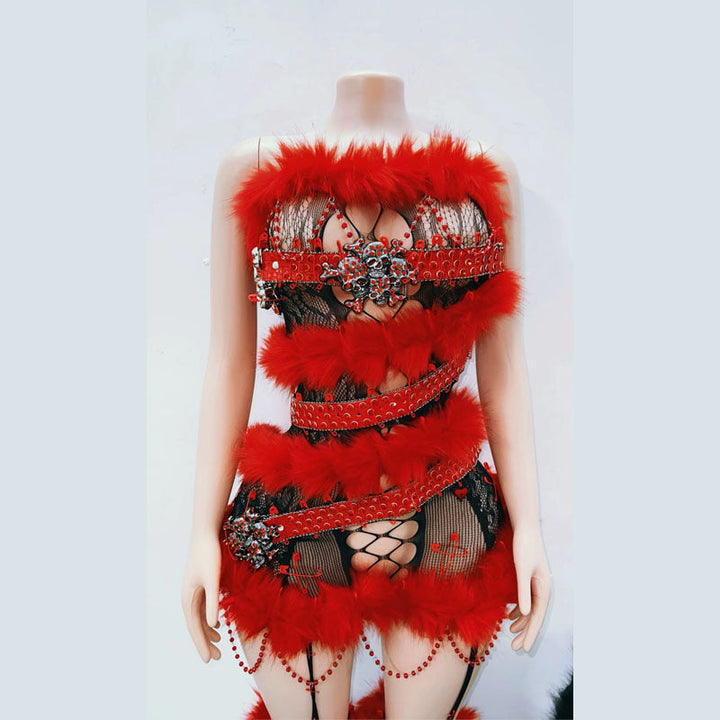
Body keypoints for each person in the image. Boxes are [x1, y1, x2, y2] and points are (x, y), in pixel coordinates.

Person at [182, 72, 552, 720]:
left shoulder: (487, 174)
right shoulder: (254, 166)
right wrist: (198, 534)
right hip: (294, 517)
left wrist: (532, 530)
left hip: (447, 506)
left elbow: (503, 366)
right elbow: (230, 361)